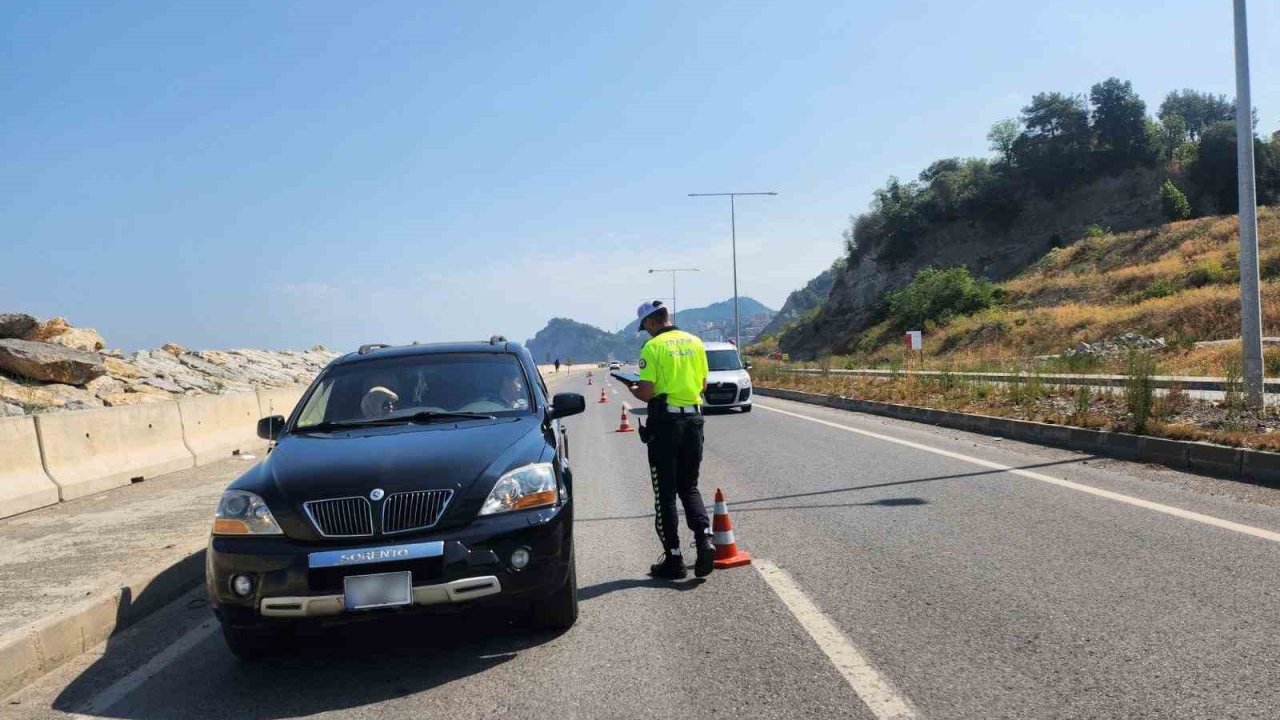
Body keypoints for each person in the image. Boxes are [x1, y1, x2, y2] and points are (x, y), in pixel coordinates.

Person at [618, 300, 714, 580]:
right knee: (690, 486)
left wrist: (632, 387)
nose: (646, 332)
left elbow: (647, 393)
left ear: (650, 322)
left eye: (645, 327)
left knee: (666, 494)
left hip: (666, 425)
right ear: (666, 316)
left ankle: (673, 558)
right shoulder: (695, 342)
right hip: (694, 421)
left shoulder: (652, 347)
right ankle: (704, 540)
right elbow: (703, 385)